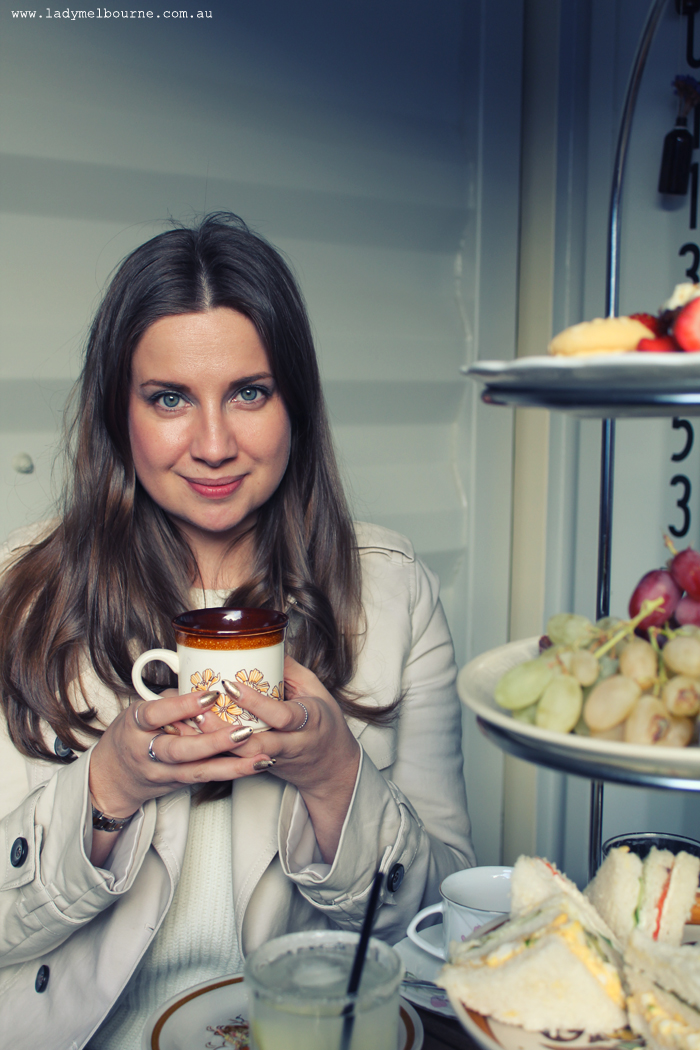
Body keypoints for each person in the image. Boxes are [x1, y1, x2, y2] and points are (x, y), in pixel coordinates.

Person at [0, 213, 474, 1049]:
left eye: (249, 392)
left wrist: (336, 779)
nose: (214, 444)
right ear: (121, 413)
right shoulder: (23, 594)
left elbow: (444, 930)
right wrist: (106, 791)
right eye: (170, 398)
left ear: (296, 403)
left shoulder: (394, 594)